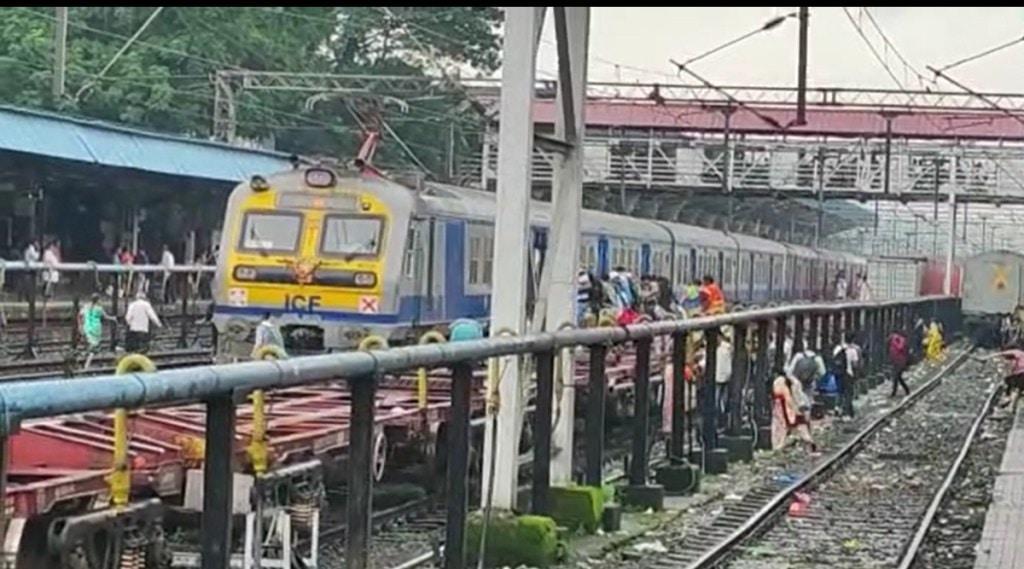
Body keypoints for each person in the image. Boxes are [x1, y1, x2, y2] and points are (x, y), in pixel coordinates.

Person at [771, 365, 817, 452]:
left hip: (783, 407)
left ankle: (779, 445)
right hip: (794, 406)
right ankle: (807, 441)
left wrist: (793, 408)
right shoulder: (793, 381)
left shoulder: (779, 381)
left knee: (781, 427)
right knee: (799, 426)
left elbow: (785, 397)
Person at [78, 293, 115, 370]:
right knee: (94, 349)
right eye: (100, 300)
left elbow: (80, 315)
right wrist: (113, 318)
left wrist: (80, 326)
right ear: (98, 300)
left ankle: (81, 360)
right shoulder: (99, 308)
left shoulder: (86, 306)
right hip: (95, 329)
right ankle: (86, 365)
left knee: (89, 346)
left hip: (87, 328)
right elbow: (105, 317)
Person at [831, 333, 859, 419]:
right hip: (848, 374)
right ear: (853, 340)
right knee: (848, 394)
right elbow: (855, 364)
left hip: (838, 374)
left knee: (839, 391)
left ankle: (837, 408)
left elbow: (833, 359)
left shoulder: (838, 348)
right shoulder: (853, 350)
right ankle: (846, 413)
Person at [888, 329, 911, 397]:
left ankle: (894, 393)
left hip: (901, 361)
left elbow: (900, 347)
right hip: (896, 361)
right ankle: (906, 390)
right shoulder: (893, 340)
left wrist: (895, 341)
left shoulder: (900, 339)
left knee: (896, 376)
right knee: (898, 377)